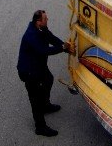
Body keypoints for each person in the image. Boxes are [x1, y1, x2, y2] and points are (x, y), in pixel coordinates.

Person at [17, 9, 72, 137]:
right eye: (45, 19)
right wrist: (62, 48)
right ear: (38, 22)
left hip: (38, 66)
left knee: (48, 79)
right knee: (35, 99)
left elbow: (51, 38)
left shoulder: (41, 29)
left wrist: (64, 46)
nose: (47, 20)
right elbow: (44, 50)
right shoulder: (32, 35)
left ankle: (45, 105)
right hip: (29, 71)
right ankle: (40, 127)